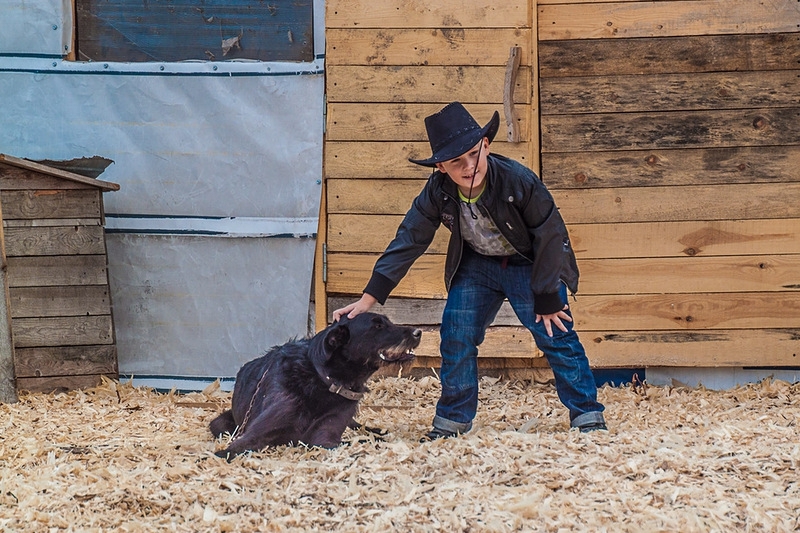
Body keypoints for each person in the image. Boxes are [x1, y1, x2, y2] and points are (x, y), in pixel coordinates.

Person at [333, 101, 606, 440]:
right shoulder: (437, 193)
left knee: (555, 333)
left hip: (530, 266)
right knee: (456, 335)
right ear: (441, 168)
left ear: (486, 146)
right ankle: (452, 422)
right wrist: (368, 300)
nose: (468, 166)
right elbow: (409, 239)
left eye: (474, 154)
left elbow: (551, 234)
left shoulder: (518, 181)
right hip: (478, 266)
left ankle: (588, 415)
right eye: (455, 162)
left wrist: (548, 294)